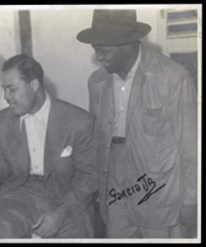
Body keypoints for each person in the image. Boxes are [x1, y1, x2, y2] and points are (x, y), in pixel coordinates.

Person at [76, 9, 197, 238]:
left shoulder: (173, 77)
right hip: (114, 180)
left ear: (127, 44)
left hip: (157, 184)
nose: (98, 57)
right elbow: (97, 140)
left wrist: (191, 200)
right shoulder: (97, 81)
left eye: (103, 50)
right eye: (95, 50)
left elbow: (190, 146)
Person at [0, 54, 98, 238]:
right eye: (4, 90)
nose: (6, 97)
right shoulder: (0, 122)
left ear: (33, 85)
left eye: (12, 90)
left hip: (67, 198)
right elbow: (1, 171)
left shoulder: (79, 121)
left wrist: (60, 213)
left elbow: (90, 176)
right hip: (20, 194)